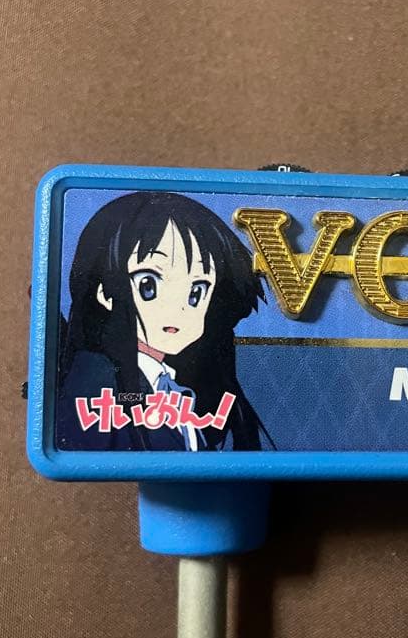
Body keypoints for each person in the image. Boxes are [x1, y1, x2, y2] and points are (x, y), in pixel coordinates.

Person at [57, 190, 267, 451]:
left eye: (196, 292)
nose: (178, 309)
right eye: (149, 285)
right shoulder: (97, 386)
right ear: (105, 291)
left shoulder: (170, 386)